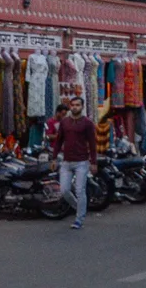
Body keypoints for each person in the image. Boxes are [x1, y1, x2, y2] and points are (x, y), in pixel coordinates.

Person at [52, 96, 97, 230]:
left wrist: (93, 162)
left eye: (77, 105)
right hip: (66, 161)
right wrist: (54, 158)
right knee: (64, 190)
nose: (75, 107)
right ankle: (79, 207)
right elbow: (59, 141)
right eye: (73, 105)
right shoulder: (65, 122)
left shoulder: (87, 123)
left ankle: (79, 219)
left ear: (82, 107)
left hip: (82, 162)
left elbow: (92, 144)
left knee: (79, 190)